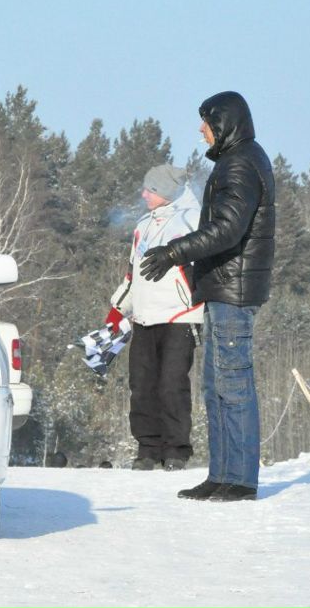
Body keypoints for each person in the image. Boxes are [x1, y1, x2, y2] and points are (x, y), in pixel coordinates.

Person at [139, 91, 275, 503]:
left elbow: (229, 229)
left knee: (232, 385)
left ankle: (240, 480)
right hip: (221, 286)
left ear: (225, 123)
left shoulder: (241, 163)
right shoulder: (236, 162)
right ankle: (222, 475)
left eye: (206, 122)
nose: (201, 130)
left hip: (233, 289)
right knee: (216, 386)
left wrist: (172, 252)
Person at [107, 164, 203, 472]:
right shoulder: (142, 225)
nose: (144, 194)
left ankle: (176, 450)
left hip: (179, 315)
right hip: (144, 317)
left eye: (150, 189)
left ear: (166, 191)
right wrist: (117, 310)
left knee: (171, 384)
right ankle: (147, 449)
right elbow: (132, 274)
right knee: (142, 384)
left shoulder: (192, 219)